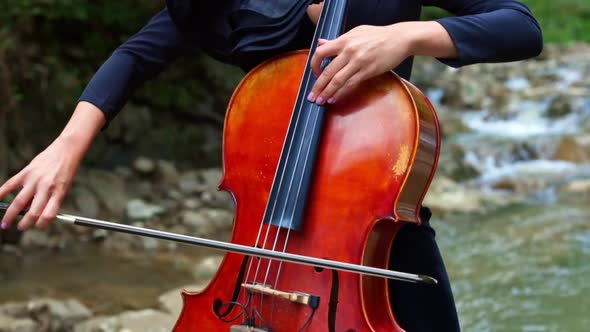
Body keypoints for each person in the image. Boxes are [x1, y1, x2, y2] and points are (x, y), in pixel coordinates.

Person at [0, 0, 542, 330]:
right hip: (264, 233)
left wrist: (408, 35)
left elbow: (520, 26)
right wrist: (66, 147)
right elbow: (139, 52)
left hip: (372, 230)